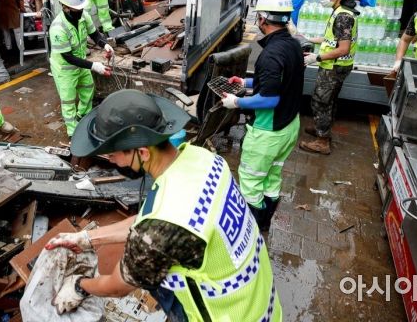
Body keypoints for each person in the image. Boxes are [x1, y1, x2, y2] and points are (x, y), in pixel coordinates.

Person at [45, 89, 281, 321]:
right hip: (259, 300)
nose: (111, 160)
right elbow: (150, 222)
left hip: (226, 314)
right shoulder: (203, 158)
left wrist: (79, 286)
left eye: (112, 155)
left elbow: (118, 285)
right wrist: (89, 238)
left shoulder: (164, 227)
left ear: (142, 152)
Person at [221, 0, 303, 230]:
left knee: (250, 182)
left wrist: (236, 102)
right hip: (289, 126)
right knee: (271, 178)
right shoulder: (293, 46)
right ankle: (265, 224)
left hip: (268, 132)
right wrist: (245, 82)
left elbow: (269, 99)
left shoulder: (269, 55)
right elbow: (281, 82)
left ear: (263, 19)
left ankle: (251, 230)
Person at [300, 0, 359, 155]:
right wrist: (307, 38)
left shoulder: (343, 16)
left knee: (320, 101)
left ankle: (322, 141)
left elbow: (343, 48)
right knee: (329, 100)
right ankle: (321, 127)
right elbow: (331, 40)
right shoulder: (340, 11)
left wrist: (316, 58)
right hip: (337, 65)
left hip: (333, 67)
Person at [49, 0, 113, 137]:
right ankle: (73, 131)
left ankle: (83, 116)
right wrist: (94, 66)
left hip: (81, 63)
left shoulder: (83, 16)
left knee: (88, 90)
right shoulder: (58, 28)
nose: (80, 12)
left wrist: (105, 45)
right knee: (68, 101)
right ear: (65, 7)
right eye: (77, 9)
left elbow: (95, 34)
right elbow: (68, 57)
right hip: (64, 69)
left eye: (81, 8)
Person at [0, 0, 25, 65]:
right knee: (18, 34)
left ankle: (9, 53)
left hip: (3, 16)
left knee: (6, 34)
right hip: (13, 16)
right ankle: (22, 52)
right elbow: (22, 8)